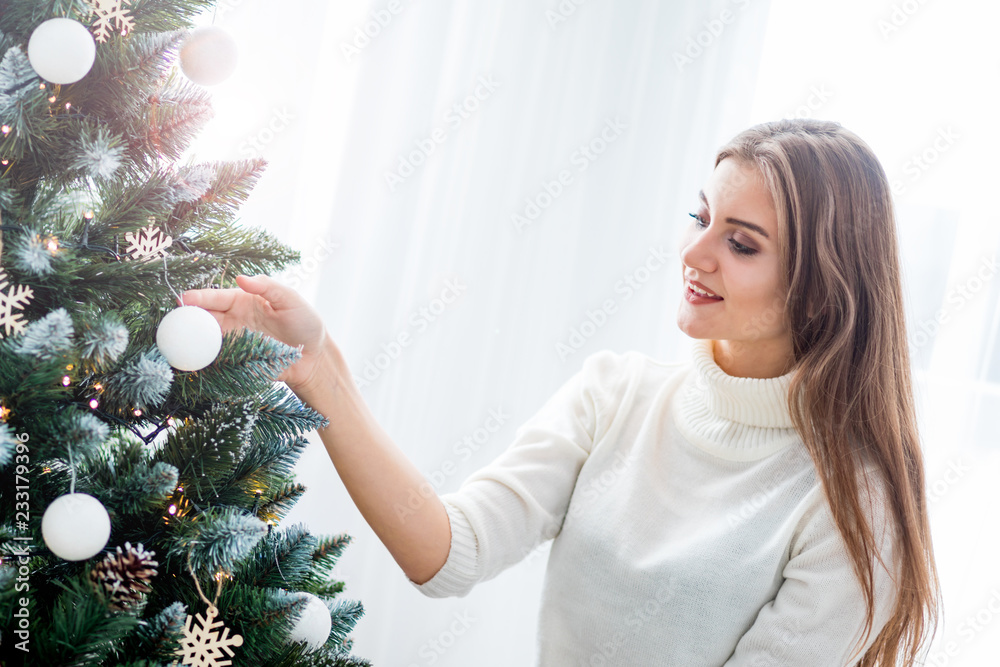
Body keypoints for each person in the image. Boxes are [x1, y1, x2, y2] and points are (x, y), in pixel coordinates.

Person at [182, 118, 941, 665]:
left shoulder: (853, 498)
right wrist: (320, 368)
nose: (694, 252)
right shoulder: (616, 394)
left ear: (820, 289)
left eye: (741, 243)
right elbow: (448, 552)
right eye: (699, 217)